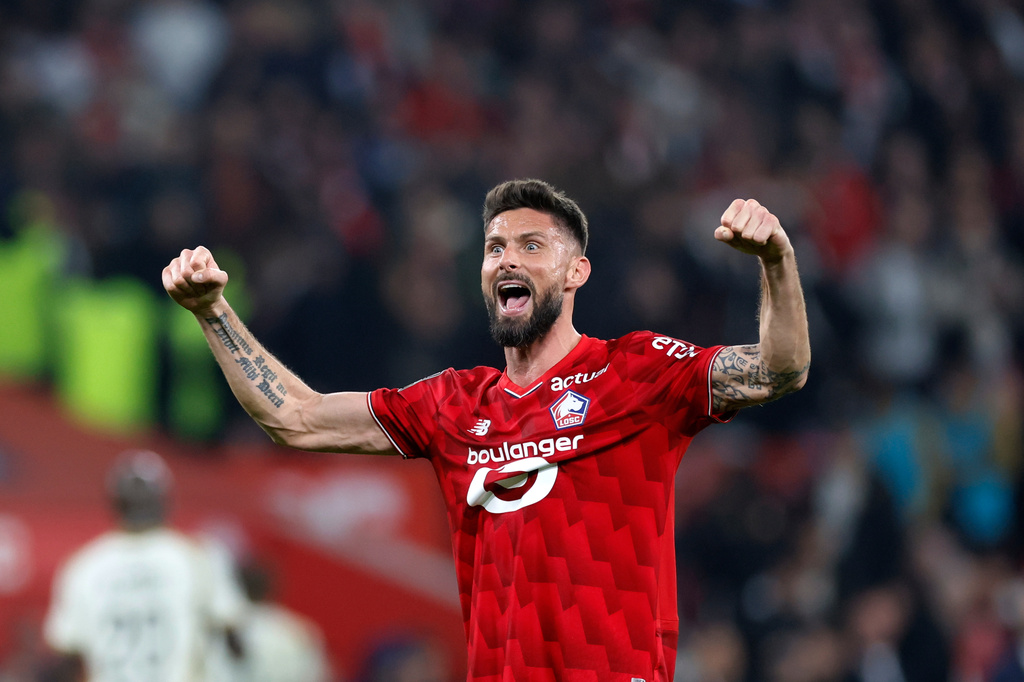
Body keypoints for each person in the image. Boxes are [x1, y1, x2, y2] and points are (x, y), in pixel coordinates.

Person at [162, 179, 811, 682]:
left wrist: (776, 262)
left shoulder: (635, 372)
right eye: (495, 247)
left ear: (575, 272)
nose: (506, 259)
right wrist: (212, 312)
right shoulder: (452, 404)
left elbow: (780, 371)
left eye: (532, 246)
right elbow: (295, 418)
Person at [43, 449, 247, 682]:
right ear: (164, 498)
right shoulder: (197, 557)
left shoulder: (84, 565)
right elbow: (236, 645)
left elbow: (66, 652)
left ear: (115, 502)